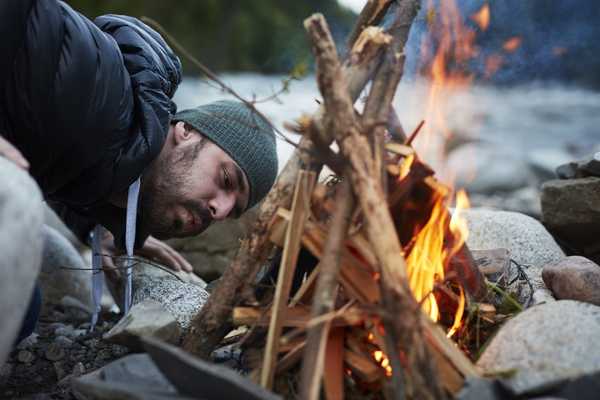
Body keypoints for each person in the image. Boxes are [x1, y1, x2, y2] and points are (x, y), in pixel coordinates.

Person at [0, 0, 278, 346]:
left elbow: (59, 154)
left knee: (24, 311)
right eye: (226, 180)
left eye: (232, 210)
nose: (219, 211)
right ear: (186, 131)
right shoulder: (100, 86)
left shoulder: (110, 146)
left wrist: (97, 226)